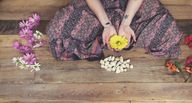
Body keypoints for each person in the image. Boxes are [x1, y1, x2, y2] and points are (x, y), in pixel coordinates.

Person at [46, 0, 182, 61]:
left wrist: (125, 23)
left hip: (130, 7)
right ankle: (106, 34)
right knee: (58, 28)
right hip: (99, 8)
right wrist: (106, 24)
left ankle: (119, 32)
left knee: (167, 29)